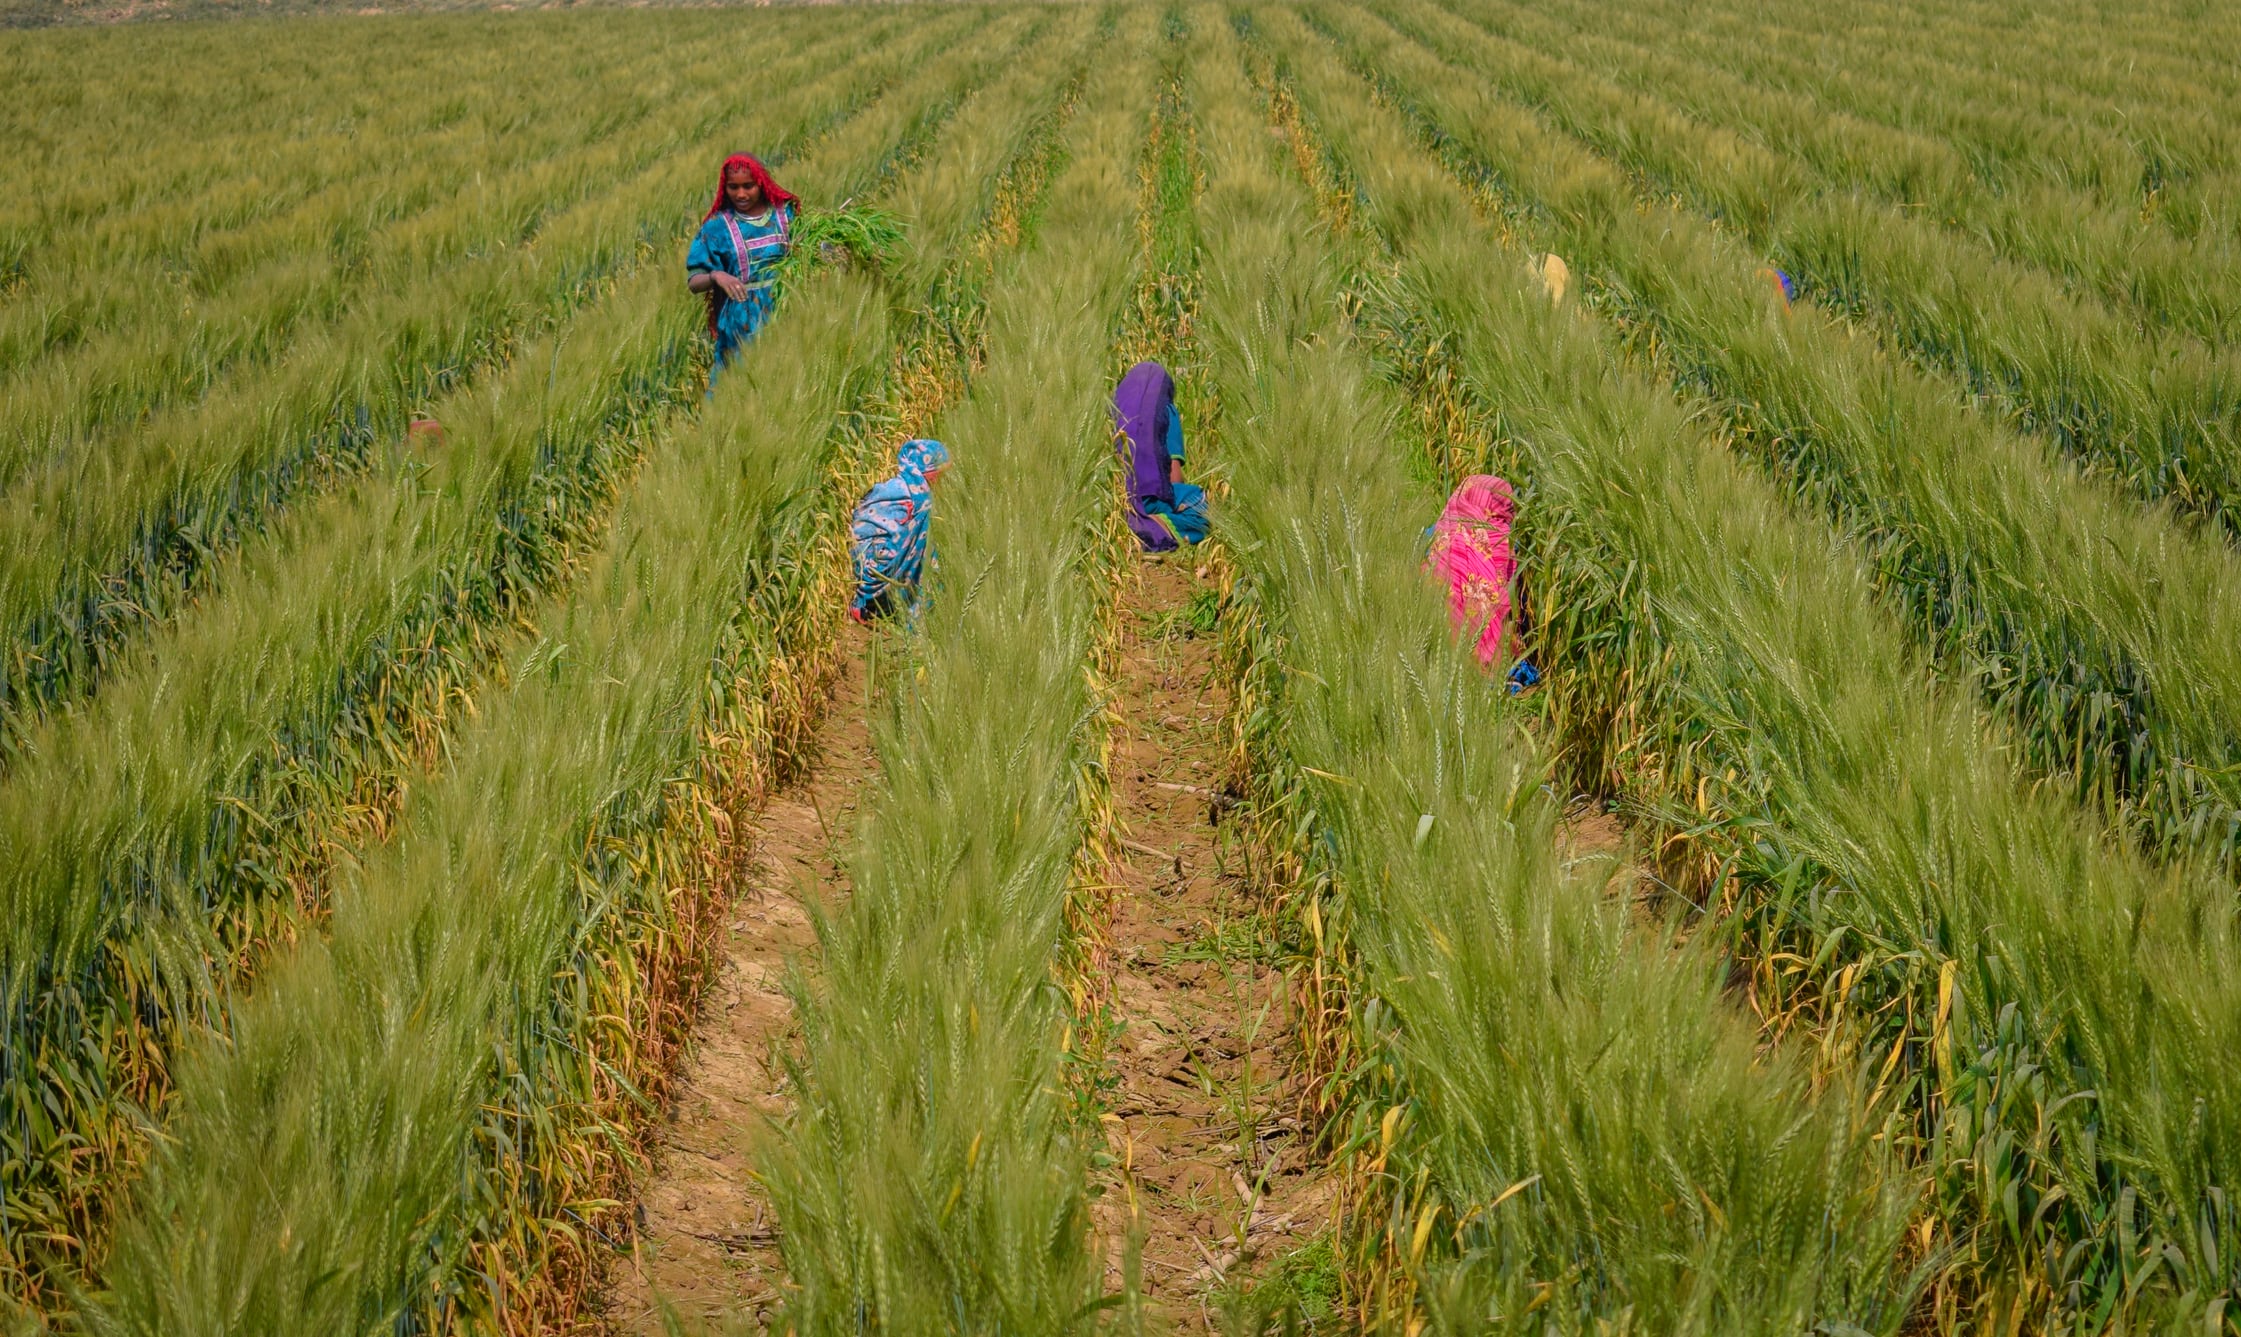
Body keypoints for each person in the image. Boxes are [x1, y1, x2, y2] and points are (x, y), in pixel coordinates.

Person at [686, 153, 799, 384]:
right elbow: (694, 282)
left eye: (748, 186)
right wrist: (716, 276)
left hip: (787, 313)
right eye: (733, 187)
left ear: (762, 183)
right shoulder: (717, 227)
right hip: (742, 325)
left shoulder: (786, 215)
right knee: (738, 386)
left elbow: (807, 252)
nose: (741, 194)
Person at [1428, 474, 1535, 691]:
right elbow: (1509, 603)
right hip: (1490, 653)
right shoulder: (1502, 542)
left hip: (1436, 642)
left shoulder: (1440, 532)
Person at [848, 438, 950, 622]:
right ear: (928, 471)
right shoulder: (917, 497)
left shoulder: (903, 485)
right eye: (940, 473)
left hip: (868, 556)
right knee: (928, 537)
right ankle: (915, 610)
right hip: (874, 565)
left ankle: (889, 603)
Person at [1112, 360, 1209, 552]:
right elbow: (1174, 475)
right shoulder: (1163, 409)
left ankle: (1123, 526)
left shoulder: (1113, 410)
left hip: (1115, 503)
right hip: (1150, 500)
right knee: (1198, 503)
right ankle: (1149, 527)